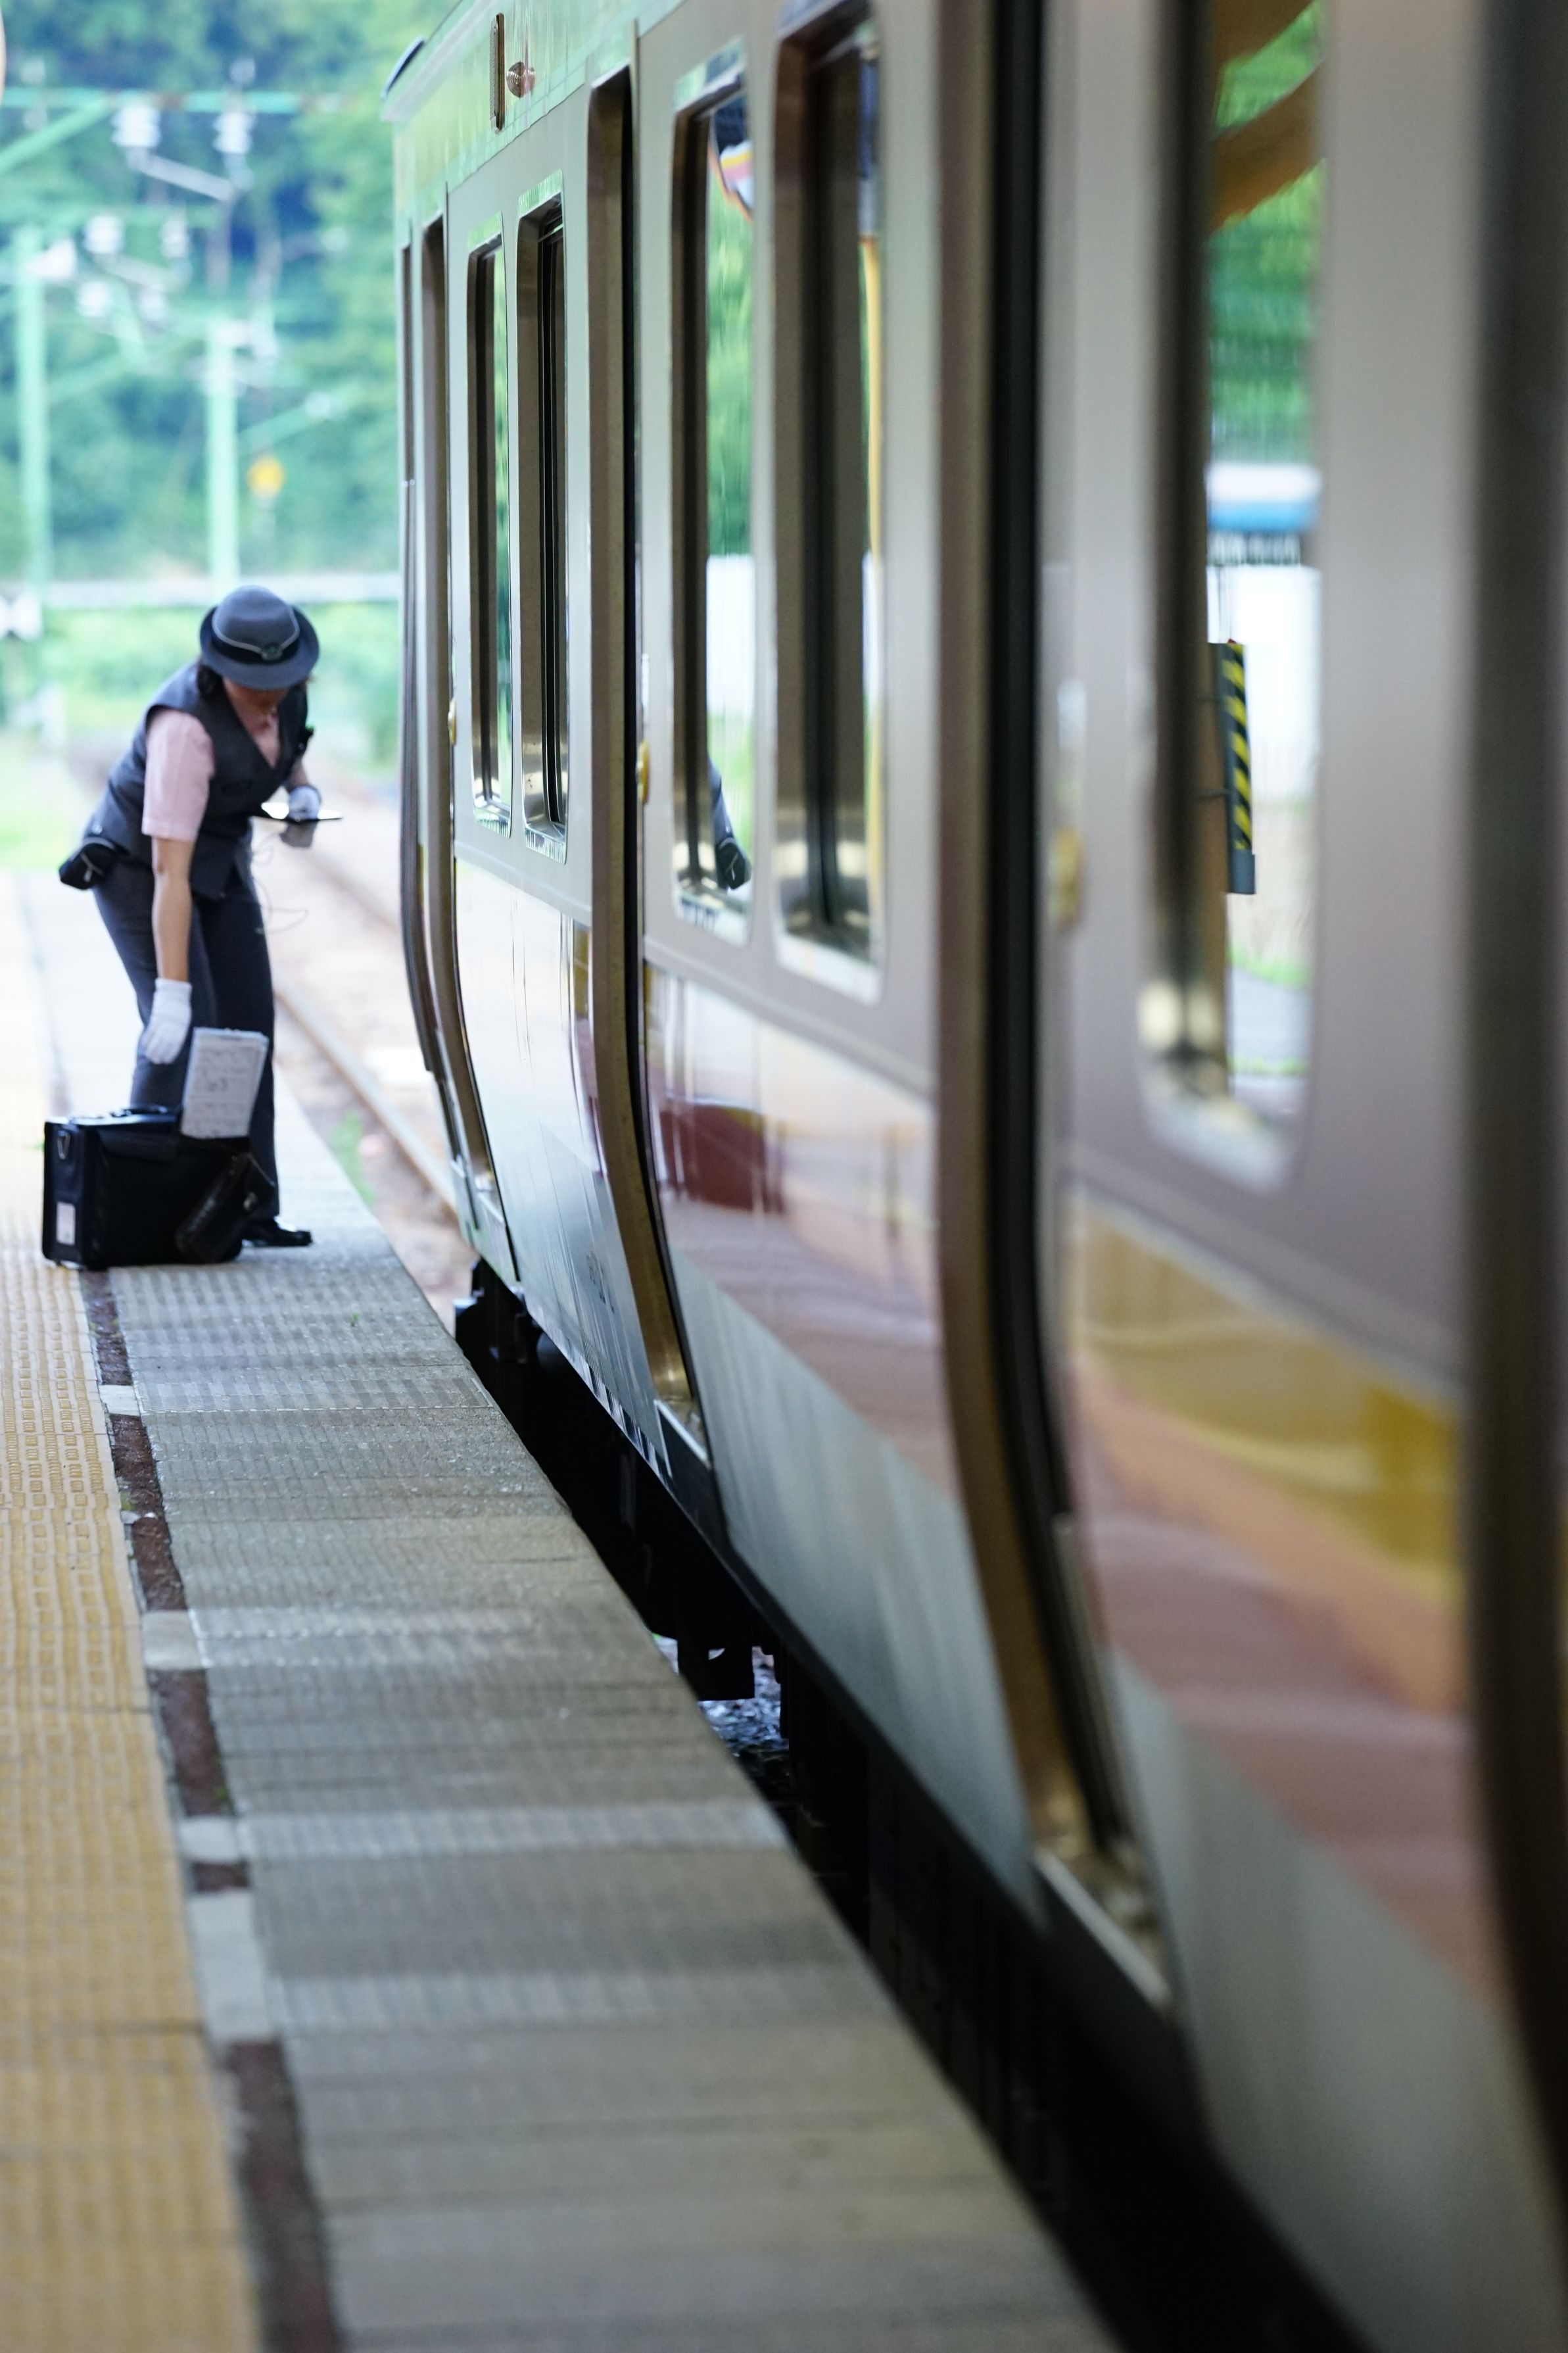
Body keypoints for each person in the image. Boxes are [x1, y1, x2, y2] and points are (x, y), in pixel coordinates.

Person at [68, 584, 323, 1247]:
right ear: (221, 670)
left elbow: (284, 749)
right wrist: (172, 992)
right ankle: (143, 1209)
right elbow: (168, 873)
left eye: (282, 679)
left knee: (248, 1027)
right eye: (255, 685)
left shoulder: (286, 696)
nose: (271, 694)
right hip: (142, 871)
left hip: (219, 858)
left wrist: (301, 794)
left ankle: (247, 1204)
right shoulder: (184, 728)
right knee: (185, 1031)